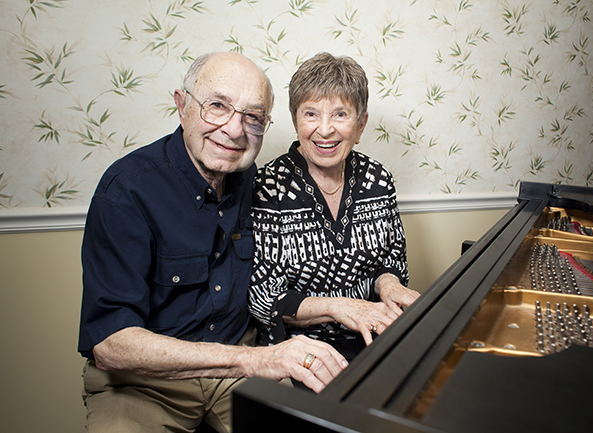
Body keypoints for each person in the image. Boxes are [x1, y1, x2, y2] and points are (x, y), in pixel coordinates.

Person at [77, 51, 348, 433]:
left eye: (252, 117)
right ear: (181, 105)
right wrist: (257, 361)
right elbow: (110, 344)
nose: (235, 130)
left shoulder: (251, 179)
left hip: (237, 367)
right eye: (217, 106)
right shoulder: (126, 192)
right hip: (143, 384)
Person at [249, 52, 420, 363]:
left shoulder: (378, 179)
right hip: (298, 353)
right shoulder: (268, 187)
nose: (325, 130)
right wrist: (339, 307)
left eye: (340, 115)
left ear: (361, 123)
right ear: (295, 120)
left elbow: (392, 263)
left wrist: (389, 284)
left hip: (373, 340)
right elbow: (264, 298)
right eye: (311, 114)